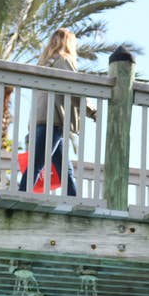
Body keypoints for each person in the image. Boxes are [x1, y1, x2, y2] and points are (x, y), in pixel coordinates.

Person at [18, 28, 91, 198]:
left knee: (65, 170)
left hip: (40, 120)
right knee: (37, 164)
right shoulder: (64, 60)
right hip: (54, 120)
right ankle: (20, 197)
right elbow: (75, 89)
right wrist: (92, 111)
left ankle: (73, 201)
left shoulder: (45, 64)